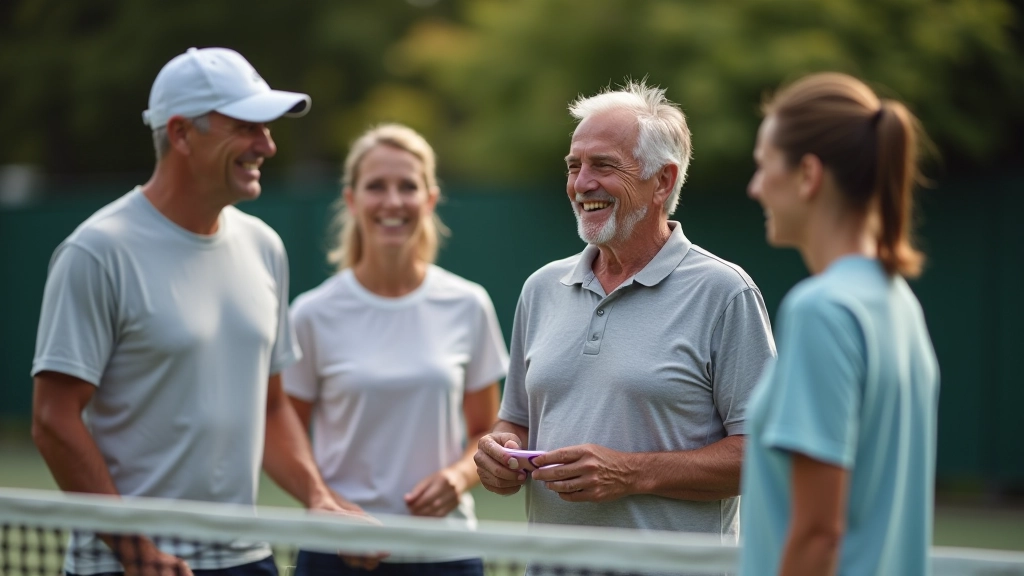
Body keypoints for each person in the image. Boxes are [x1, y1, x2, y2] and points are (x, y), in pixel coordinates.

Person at [31, 47, 359, 576]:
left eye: (268, 128)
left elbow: (272, 408)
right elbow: (53, 420)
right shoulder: (95, 251)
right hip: (123, 566)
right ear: (181, 134)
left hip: (245, 560)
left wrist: (319, 498)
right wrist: (137, 553)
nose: (267, 145)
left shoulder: (264, 247)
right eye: (246, 126)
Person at [474, 81, 776, 540]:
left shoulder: (725, 292)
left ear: (664, 181)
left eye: (603, 166)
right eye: (574, 166)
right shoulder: (541, 288)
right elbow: (515, 420)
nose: (581, 184)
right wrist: (500, 453)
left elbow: (766, 455)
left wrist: (633, 472)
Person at [282, 123, 509, 576]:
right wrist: (329, 507)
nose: (392, 201)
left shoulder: (468, 304)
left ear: (429, 198)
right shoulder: (312, 313)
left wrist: (457, 478)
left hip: (445, 554)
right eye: (376, 187)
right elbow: (285, 433)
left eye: (407, 186)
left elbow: (484, 429)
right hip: (337, 552)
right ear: (351, 200)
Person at [739, 72, 940, 576]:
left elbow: (818, 534)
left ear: (808, 175)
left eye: (763, 167)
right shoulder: (900, 305)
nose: (754, 188)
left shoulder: (822, 310)